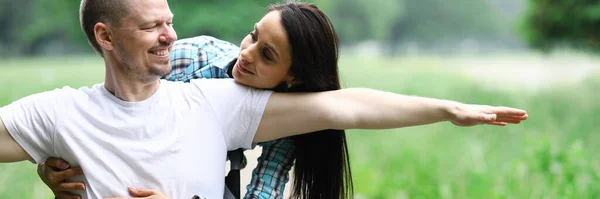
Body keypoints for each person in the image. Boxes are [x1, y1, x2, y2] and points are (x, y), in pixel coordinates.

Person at [0, 0, 528, 199]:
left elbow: (344, 106)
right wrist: (61, 162)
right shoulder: (198, 60)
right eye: (151, 26)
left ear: (292, 83)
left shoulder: (229, 106)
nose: (245, 56)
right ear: (106, 37)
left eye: (169, 22)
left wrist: (447, 109)